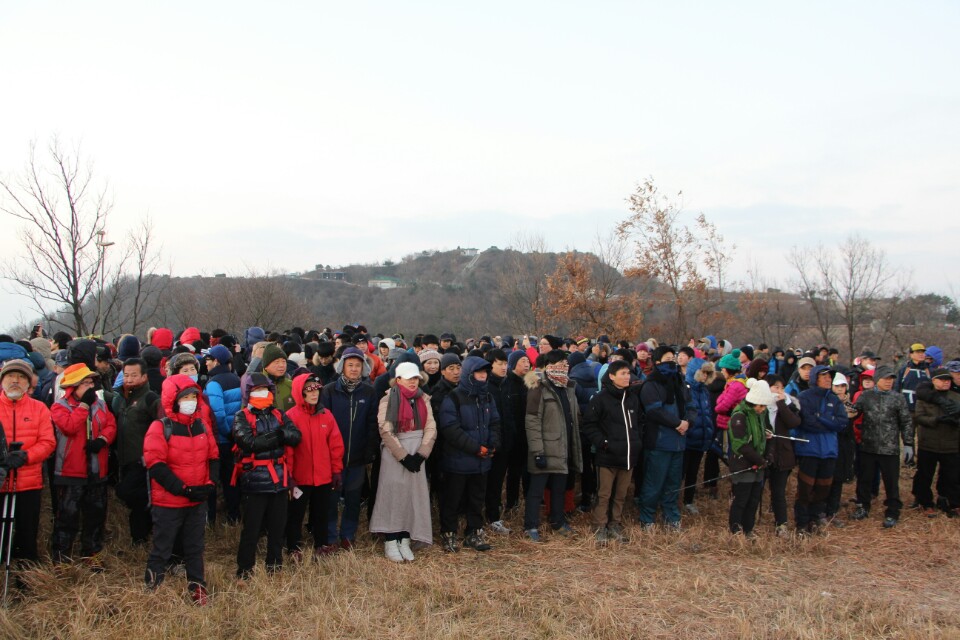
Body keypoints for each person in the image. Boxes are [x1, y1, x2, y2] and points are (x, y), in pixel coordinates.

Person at [142, 374, 218, 605]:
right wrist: (183, 489)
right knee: (162, 547)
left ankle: (197, 587)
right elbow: (156, 465)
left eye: (194, 397)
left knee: (195, 547)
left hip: (197, 500)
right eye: (185, 397)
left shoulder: (201, 425)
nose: (191, 402)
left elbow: (213, 457)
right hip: (169, 501)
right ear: (173, 400)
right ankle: (153, 588)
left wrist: (210, 484)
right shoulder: (160, 427)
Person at [232, 374, 302, 579]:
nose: (262, 393)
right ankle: (245, 570)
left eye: (265, 389)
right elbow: (248, 442)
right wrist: (279, 436)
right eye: (257, 390)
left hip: (279, 478)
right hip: (255, 480)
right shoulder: (242, 416)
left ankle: (275, 566)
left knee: (277, 527)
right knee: (251, 529)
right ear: (248, 393)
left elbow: (295, 436)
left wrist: (279, 435)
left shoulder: (279, 414)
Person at [50, 363, 118, 569]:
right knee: (67, 517)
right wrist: (84, 407)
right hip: (70, 471)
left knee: (96, 515)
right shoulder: (59, 407)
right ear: (73, 386)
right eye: (85, 383)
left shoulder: (101, 404)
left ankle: (91, 553)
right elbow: (69, 427)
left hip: (97, 469)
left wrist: (102, 440)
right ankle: (62, 558)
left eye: (91, 382)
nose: (90, 386)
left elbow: (111, 425)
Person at [369, 362, 437, 561]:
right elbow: (386, 430)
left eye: (415, 378)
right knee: (393, 495)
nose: (413, 382)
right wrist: (403, 456)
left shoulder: (423, 399)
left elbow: (431, 427)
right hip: (395, 454)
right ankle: (391, 539)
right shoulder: (387, 399)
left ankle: (405, 538)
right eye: (408, 378)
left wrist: (422, 453)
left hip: (418, 451)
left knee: (413, 496)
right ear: (398, 379)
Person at [437, 356, 501, 553]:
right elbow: (451, 429)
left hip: (482, 461)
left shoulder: (488, 397)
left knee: (477, 499)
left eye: (485, 372)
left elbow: (495, 422)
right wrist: (476, 448)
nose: (483, 375)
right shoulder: (454, 397)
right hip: (458, 461)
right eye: (478, 372)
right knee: (452, 499)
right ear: (469, 374)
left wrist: (493, 444)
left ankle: (474, 532)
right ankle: (449, 534)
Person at [319, 347, 377, 550]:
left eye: (358, 365)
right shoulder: (329, 391)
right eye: (350, 365)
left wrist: (369, 450)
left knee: (353, 499)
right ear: (342, 367)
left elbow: (372, 423)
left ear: (363, 368)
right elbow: (323, 423)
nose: (354, 369)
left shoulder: (369, 392)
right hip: (333, 458)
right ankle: (329, 536)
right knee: (331, 499)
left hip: (357, 457)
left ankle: (347, 535)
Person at [0, 359, 56, 570]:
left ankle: (26, 576)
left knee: (27, 533)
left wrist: (26, 456)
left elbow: (48, 442)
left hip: (29, 483)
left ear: (28, 382)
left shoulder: (39, 409)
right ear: (2, 381)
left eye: (21, 377)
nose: (15, 381)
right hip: (1, 480)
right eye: (10, 376)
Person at [523, 350, 582, 541]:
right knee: (536, 490)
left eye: (566, 363)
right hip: (545, 448)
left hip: (563, 447)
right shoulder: (538, 387)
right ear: (549, 366)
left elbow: (574, 417)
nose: (564, 366)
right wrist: (537, 451)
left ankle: (557, 521)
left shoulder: (568, 387)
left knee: (559, 489)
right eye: (560, 363)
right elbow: (532, 421)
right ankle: (531, 526)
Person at [285, 374, 344, 559]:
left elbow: (335, 445)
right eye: (309, 389)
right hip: (300, 477)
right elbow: (288, 450)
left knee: (321, 513)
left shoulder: (326, 415)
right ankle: (293, 547)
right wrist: (289, 476)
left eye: (317, 389)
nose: (314, 393)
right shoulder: (291, 416)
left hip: (323, 476)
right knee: (296, 513)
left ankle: (321, 544)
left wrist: (336, 470)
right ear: (299, 392)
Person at [581, 360, 641, 543]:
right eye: (622, 373)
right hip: (607, 456)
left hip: (628, 455)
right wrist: (604, 443)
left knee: (620, 495)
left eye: (628, 373)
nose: (627, 377)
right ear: (612, 376)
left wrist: (637, 442)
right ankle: (599, 527)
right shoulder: (600, 399)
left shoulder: (632, 398)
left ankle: (614, 524)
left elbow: (639, 423)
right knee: (604, 494)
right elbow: (589, 425)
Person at [637, 346, 697, 531]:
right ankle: (647, 517)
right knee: (654, 482)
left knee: (673, 483)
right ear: (657, 362)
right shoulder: (651, 384)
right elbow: (654, 411)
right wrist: (677, 423)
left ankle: (671, 516)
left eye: (673, 358)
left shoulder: (680, 382)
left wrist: (688, 422)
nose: (672, 362)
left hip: (679, 442)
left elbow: (691, 406)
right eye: (667, 359)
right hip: (659, 441)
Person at [851, 365, 912, 528]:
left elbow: (906, 421)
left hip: (889, 448)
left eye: (891, 379)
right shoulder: (866, 396)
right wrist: (845, 406)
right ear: (877, 379)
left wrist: (908, 443)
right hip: (868, 446)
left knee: (891, 482)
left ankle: (893, 511)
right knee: (864, 480)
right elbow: (854, 413)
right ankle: (862, 506)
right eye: (886, 378)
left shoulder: (898, 398)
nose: (889, 382)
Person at [792, 365, 848, 535]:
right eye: (824, 376)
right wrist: (829, 422)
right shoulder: (804, 397)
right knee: (805, 489)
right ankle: (802, 523)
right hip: (809, 449)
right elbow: (807, 422)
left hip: (829, 450)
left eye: (830, 377)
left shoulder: (834, 399)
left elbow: (842, 422)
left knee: (823, 488)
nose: (828, 379)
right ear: (815, 378)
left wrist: (821, 418)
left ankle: (815, 519)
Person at [111, 357, 160, 545]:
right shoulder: (122, 398)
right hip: (124, 458)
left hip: (142, 460)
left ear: (144, 376)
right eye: (126, 375)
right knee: (136, 501)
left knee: (130, 493)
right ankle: (139, 539)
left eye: (134, 375)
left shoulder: (150, 399)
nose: (129, 379)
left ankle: (142, 535)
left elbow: (161, 426)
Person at [727, 379, 774, 537]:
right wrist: (759, 460)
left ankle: (748, 529)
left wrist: (768, 453)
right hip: (743, 464)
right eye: (761, 406)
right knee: (741, 499)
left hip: (758, 465)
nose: (763, 409)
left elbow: (766, 433)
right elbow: (739, 444)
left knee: (754, 500)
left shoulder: (760, 414)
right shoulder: (739, 416)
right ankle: (735, 530)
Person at [202, 345, 243, 525]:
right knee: (231, 480)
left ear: (216, 361)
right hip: (235, 438)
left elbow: (217, 414)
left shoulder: (214, 383)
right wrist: (236, 434)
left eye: (208, 360)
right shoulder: (236, 379)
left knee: (213, 479)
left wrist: (227, 433)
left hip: (220, 439)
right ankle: (234, 516)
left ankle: (210, 519)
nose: (206, 363)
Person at [913, 368, 960, 517]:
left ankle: (952, 503)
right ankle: (925, 503)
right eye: (942, 380)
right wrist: (937, 420)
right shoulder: (925, 397)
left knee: (952, 476)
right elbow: (918, 417)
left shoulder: (956, 397)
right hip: (928, 443)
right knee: (925, 475)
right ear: (933, 381)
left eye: (948, 380)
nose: (946, 382)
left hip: (951, 444)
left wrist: (956, 421)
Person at [763, 374, 801, 536]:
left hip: (781, 454)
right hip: (762, 454)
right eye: (776, 387)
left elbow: (793, 422)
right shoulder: (759, 404)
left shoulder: (788, 404)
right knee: (756, 490)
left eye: (782, 388)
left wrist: (781, 403)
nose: (779, 391)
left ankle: (781, 524)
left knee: (778, 492)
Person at [682, 358, 717, 514]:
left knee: (693, 472)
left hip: (700, 439)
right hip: (687, 438)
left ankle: (688, 500)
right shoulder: (685, 389)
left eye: (708, 373)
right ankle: (671, 499)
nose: (705, 376)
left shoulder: (704, 391)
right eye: (703, 372)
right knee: (680, 472)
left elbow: (707, 413)